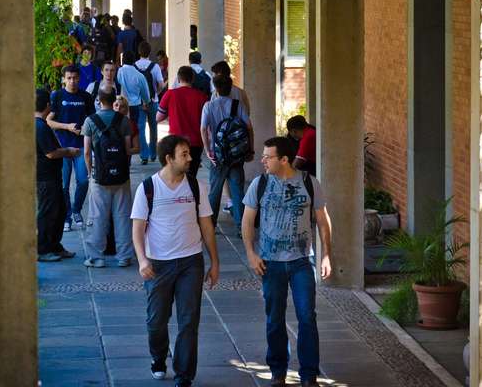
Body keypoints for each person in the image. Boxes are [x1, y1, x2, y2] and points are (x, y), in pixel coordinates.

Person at [241, 136, 333, 387]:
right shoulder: (259, 184)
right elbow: (247, 221)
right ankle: (278, 371)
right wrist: (251, 254)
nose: (263, 160)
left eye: (267, 156)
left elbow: (323, 221)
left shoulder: (309, 183)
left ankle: (309, 375)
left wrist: (326, 255)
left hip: (303, 261)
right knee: (274, 319)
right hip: (270, 263)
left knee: (307, 317)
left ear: (284, 159)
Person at [130, 135, 219, 387]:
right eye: (184, 154)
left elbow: (206, 226)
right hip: (158, 264)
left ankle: (184, 374)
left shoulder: (195, 186)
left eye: (189, 153)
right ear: (169, 158)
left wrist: (214, 262)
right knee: (156, 321)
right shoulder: (148, 188)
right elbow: (138, 228)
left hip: (191, 262)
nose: (190, 158)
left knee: (189, 320)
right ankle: (158, 358)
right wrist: (142, 260)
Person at [82, 89, 135, 268]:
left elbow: (87, 152)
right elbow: (127, 150)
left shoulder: (90, 121)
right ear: (114, 101)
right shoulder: (124, 120)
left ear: (98, 100)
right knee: (122, 215)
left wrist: (90, 173)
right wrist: (123, 169)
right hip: (121, 176)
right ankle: (124, 256)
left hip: (99, 176)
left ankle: (96, 257)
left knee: (97, 217)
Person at [201, 75, 254, 230]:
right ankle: (241, 226)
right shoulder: (238, 106)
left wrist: (207, 149)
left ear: (215, 89)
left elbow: (203, 128)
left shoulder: (208, 106)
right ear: (230, 88)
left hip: (217, 155)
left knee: (215, 192)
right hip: (236, 155)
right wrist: (250, 149)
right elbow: (249, 127)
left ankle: (210, 225)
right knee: (238, 191)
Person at [47, 65, 95, 231]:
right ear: (64, 79)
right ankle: (66, 216)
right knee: (63, 185)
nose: (72, 81)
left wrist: (85, 130)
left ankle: (76, 210)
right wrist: (66, 126)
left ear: (79, 78)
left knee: (83, 181)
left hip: (82, 146)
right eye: (69, 78)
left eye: (75, 78)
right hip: (62, 147)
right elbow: (49, 120)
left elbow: (92, 119)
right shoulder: (58, 96)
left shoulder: (86, 97)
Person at [35, 89, 80, 262]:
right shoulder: (39, 126)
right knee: (48, 213)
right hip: (45, 178)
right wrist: (69, 151)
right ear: (48, 105)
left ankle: (54, 245)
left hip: (51, 176)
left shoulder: (41, 124)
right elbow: (51, 153)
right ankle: (43, 249)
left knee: (59, 211)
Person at [157, 66, 209, 177]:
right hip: (196, 142)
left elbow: (158, 117)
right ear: (193, 79)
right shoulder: (202, 97)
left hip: (175, 142)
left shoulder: (170, 94)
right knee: (191, 175)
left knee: (176, 176)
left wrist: (170, 112)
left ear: (178, 79)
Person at [135, 41, 165, 165]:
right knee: (153, 128)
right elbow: (161, 84)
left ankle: (144, 155)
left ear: (139, 52)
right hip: (153, 101)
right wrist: (155, 94)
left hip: (139, 102)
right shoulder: (155, 67)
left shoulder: (134, 66)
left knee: (140, 128)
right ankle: (153, 154)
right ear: (149, 52)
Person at [116, 50, 151, 127]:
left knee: (121, 129)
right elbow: (146, 95)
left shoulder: (118, 72)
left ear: (123, 60)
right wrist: (146, 102)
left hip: (120, 104)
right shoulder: (140, 76)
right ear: (134, 60)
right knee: (133, 129)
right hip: (135, 106)